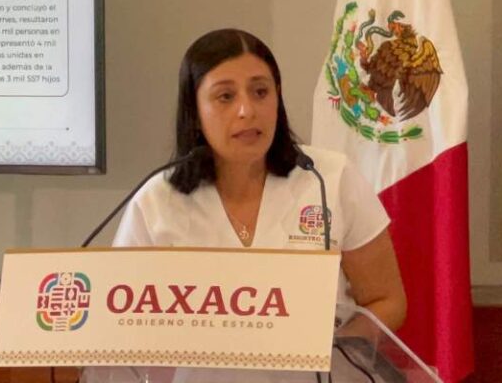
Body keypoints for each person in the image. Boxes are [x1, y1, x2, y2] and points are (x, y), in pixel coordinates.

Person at [110, 28, 406, 381]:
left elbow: (387, 301)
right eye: (225, 96)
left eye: (260, 92)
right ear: (195, 110)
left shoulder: (330, 178)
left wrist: (330, 352)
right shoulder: (157, 200)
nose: (246, 110)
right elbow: (120, 325)